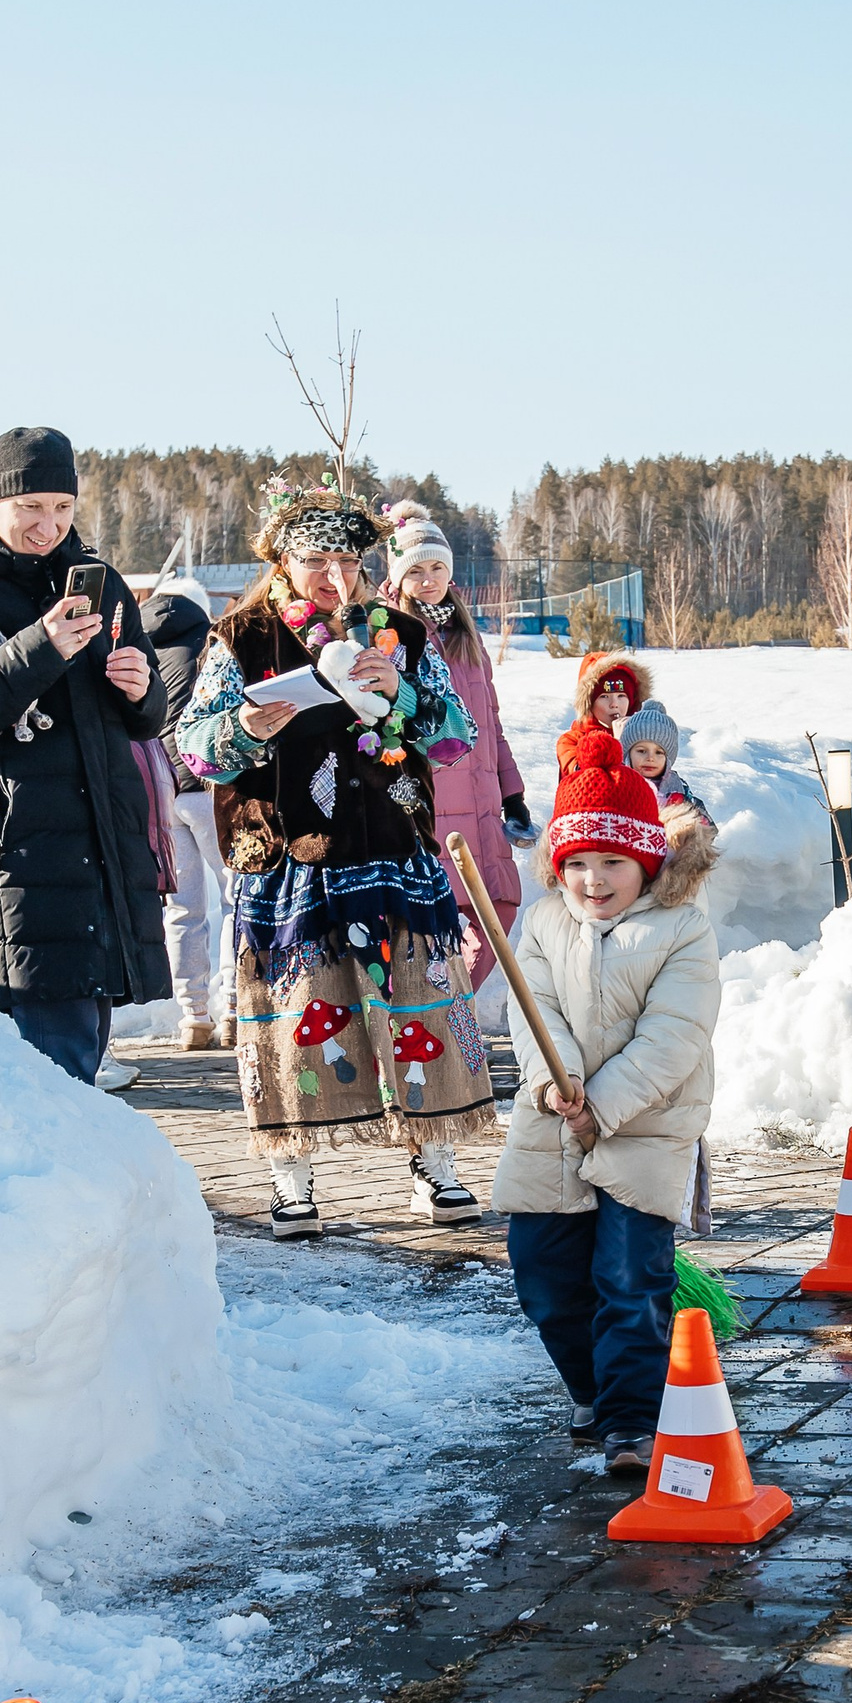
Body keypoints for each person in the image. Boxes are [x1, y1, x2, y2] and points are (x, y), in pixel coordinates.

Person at [175, 476, 490, 1234]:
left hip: (392, 849)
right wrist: (245, 727)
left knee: (420, 1002)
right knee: (296, 1018)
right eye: (316, 560)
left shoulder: (399, 632)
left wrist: (407, 698)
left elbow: (458, 738)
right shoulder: (240, 637)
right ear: (281, 560)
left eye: (347, 559)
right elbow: (193, 748)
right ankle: (293, 1179)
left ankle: (433, 1162)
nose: (335, 577)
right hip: (288, 859)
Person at [0, 425, 171, 1086]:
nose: (49, 526)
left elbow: (146, 718)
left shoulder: (99, 582)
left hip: (104, 850)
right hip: (21, 855)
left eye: (63, 509)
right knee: (57, 1059)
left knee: (85, 1046)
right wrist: (38, 647)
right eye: (31, 509)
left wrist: (143, 689)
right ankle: (77, 1185)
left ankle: (93, 1183)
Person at [492, 727, 720, 1474]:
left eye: (612, 862)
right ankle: (591, 1388)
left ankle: (631, 1420)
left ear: (646, 859)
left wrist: (605, 1102)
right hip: (551, 1123)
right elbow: (534, 1012)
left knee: (630, 1278)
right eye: (577, 863)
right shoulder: (547, 921)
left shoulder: (681, 928)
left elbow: (674, 1035)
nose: (593, 880)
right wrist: (552, 1082)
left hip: (644, 1128)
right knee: (542, 1270)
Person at [384, 508, 534, 988]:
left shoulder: (466, 636)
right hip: (429, 805)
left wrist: (513, 795)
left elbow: (492, 725)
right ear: (398, 577)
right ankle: (433, 1023)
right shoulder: (391, 634)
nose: (429, 580)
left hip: (483, 802)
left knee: (500, 913)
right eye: (415, 570)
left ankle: (447, 1010)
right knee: (431, 924)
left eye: (437, 568)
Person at [138, 571, 233, 1049]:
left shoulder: (142, 648)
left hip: (162, 790)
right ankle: (235, 1006)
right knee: (235, 895)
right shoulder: (212, 643)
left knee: (183, 907)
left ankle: (193, 1015)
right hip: (209, 785)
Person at [620, 697, 714, 833]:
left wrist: (688, 815)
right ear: (628, 754)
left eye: (659, 752)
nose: (650, 758)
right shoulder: (619, 782)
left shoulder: (676, 786)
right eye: (641, 751)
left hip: (667, 847)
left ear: (668, 759)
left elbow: (709, 827)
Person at [560, 647, 650, 766]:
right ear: (589, 702)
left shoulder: (642, 740)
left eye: (621, 696)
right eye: (604, 697)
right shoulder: (571, 742)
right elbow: (589, 780)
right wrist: (618, 744)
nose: (614, 704)